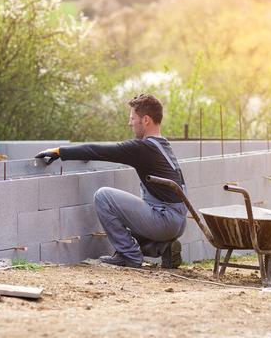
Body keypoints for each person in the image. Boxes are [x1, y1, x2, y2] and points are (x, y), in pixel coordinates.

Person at [36, 94, 187, 269]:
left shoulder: (143, 148)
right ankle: (164, 247)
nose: (130, 123)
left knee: (104, 196)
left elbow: (101, 150)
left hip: (164, 220)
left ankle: (129, 257)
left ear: (145, 120)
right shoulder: (162, 145)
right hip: (177, 221)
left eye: (132, 118)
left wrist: (59, 151)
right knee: (126, 229)